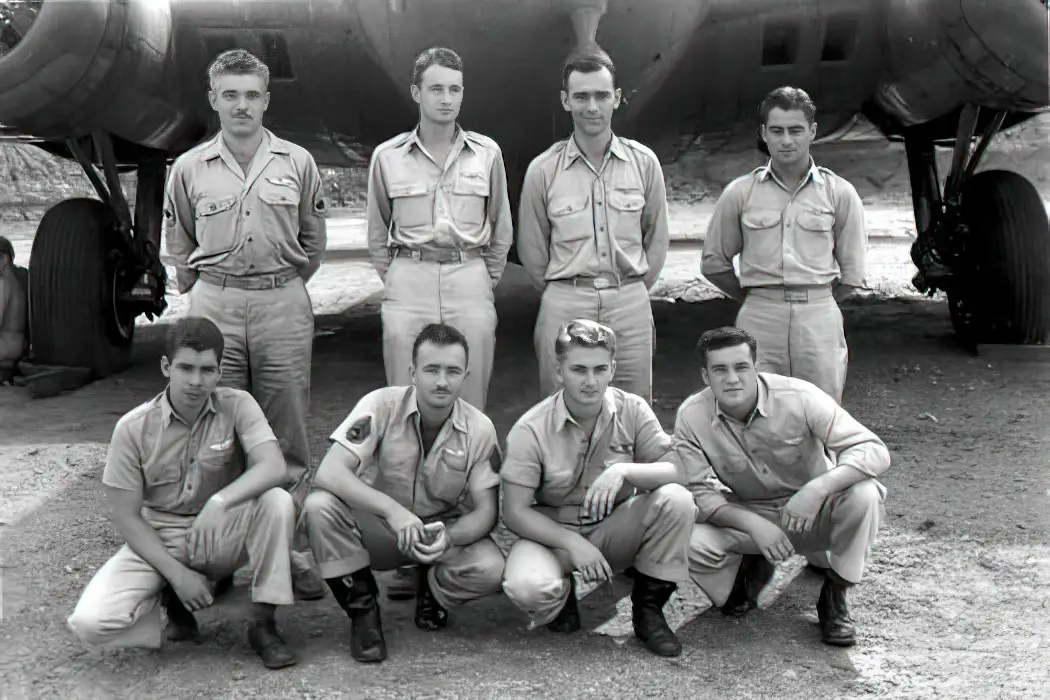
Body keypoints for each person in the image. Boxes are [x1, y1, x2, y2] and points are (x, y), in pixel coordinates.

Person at [163, 48, 328, 599]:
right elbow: (180, 245)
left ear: (266, 100)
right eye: (229, 94)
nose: (241, 105)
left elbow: (312, 240)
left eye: (252, 94)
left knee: (287, 430)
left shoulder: (297, 162)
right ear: (213, 99)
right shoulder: (188, 168)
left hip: (281, 301)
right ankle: (226, 549)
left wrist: (283, 284)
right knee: (217, 429)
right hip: (216, 304)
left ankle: (291, 547)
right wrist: (208, 293)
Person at [66, 317, 299, 669]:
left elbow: (273, 466)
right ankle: (168, 599)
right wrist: (178, 576)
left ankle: (263, 622)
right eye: (185, 367)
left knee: (278, 501)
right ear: (166, 367)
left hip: (222, 527)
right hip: (160, 536)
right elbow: (128, 517)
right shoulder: (131, 428)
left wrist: (221, 501)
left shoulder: (237, 405)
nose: (195, 380)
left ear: (220, 372)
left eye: (207, 370)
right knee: (91, 623)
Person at [673, 326, 890, 647]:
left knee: (864, 494)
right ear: (706, 376)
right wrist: (754, 525)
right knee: (682, 533)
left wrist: (816, 490)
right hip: (753, 513)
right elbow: (698, 491)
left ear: (755, 368)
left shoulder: (800, 396)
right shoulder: (691, 416)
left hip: (814, 512)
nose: (732, 378)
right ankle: (750, 567)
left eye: (741, 367)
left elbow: (874, 451)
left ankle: (834, 595)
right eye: (720, 369)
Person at [302, 323, 505, 663]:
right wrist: (393, 513)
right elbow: (329, 472)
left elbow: (487, 511)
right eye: (431, 369)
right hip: (383, 529)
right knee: (318, 507)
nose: (442, 381)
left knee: (492, 567)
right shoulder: (380, 405)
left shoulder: (480, 429)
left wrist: (451, 538)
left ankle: (434, 592)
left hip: (435, 534)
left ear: (466, 375)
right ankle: (363, 616)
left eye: (453, 371)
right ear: (413, 373)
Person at [498, 320, 696, 658]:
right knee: (526, 587)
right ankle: (562, 597)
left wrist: (624, 470)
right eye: (578, 369)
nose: (590, 381)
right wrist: (571, 542)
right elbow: (514, 511)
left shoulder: (631, 409)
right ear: (559, 371)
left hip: (614, 527)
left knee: (677, 500)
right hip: (554, 534)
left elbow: (679, 469)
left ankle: (648, 612)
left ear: (612, 369)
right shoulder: (531, 429)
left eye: (599, 369)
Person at [516, 53, 670, 405]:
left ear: (616, 98)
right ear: (565, 101)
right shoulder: (544, 170)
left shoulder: (643, 164)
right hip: (566, 299)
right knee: (561, 406)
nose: (592, 107)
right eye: (581, 96)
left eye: (601, 96)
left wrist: (631, 290)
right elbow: (532, 248)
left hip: (628, 300)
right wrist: (566, 289)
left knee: (633, 407)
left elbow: (656, 237)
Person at [366, 46, 512, 412]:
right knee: (404, 394)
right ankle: (407, 467)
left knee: (471, 392)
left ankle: (469, 465)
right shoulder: (388, 156)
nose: (447, 99)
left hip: (470, 279)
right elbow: (376, 231)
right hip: (410, 280)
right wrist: (401, 275)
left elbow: (501, 226)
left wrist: (482, 276)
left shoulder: (486, 153)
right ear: (416, 93)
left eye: (455, 89)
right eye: (436, 89)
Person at [701, 86, 868, 404]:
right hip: (760, 315)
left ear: (813, 132)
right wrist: (754, 297)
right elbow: (713, 262)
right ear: (763, 133)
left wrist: (816, 300)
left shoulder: (840, 193)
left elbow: (853, 273)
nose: (786, 140)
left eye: (796, 130)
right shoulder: (741, 193)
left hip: (818, 316)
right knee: (756, 408)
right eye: (776, 131)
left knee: (821, 411)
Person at [0, 236, 27, 381]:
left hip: (5, 344)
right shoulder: (24, 275)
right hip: (19, 346)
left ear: (4, 257)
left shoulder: (3, 283)